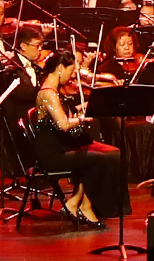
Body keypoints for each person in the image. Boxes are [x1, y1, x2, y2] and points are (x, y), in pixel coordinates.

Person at [32, 49, 128, 227]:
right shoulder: (48, 94)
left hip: (61, 146)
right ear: (60, 68)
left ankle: (76, 203)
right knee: (99, 160)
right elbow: (63, 124)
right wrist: (82, 119)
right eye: (70, 71)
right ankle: (85, 206)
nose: (71, 76)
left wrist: (81, 111)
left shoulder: (54, 91)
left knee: (106, 156)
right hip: (52, 154)